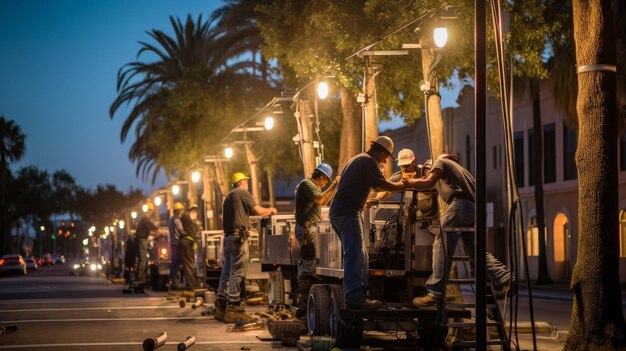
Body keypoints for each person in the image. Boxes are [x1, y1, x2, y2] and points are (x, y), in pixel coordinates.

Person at [404, 155, 514, 306]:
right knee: (475, 250)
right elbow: (427, 185)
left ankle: (435, 292)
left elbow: (427, 182)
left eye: (427, 172)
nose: (427, 175)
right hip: (473, 208)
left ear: (431, 167)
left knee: (441, 242)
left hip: (460, 205)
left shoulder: (440, 162)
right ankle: (503, 276)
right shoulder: (460, 173)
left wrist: (408, 181)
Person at [329, 136, 405, 310]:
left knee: (361, 256)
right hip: (346, 214)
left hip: (345, 212)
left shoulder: (360, 159)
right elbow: (379, 186)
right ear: (381, 151)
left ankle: (360, 294)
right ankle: (354, 298)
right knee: (354, 255)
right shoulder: (368, 161)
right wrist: (403, 185)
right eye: (386, 156)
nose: (385, 160)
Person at [214, 172, 278, 323]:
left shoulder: (228, 197)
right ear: (242, 182)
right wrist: (271, 210)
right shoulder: (242, 192)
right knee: (237, 272)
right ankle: (234, 309)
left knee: (226, 273)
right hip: (238, 238)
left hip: (228, 238)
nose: (247, 183)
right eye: (246, 181)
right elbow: (258, 210)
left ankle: (220, 307)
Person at [294, 162, 339, 316]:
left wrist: (333, 187)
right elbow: (321, 200)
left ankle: (304, 307)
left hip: (308, 229)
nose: (325, 184)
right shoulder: (308, 184)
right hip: (308, 230)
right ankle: (305, 308)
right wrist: (334, 186)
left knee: (307, 264)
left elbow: (322, 200)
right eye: (326, 181)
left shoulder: (307, 185)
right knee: (309, 266)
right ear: (321, 177)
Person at [135, 203, 161, 283]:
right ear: (149, 210)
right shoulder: (146, 218)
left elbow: (148, 231)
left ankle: (142, 275)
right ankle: (139, 277)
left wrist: (156, 232)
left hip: (142, 239)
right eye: (152, 210)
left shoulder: (144, 218)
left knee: (143, 258)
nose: (152, 212)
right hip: (142, 239)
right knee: (143, 259)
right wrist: (160, 230)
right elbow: (151, 226)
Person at [179, 204, 199, 290]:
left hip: (187, 242)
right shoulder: (187, 215)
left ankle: (190, 284)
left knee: (188, 264)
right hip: (187, 242)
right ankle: (192, 285)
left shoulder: (185, 216)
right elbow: (192, 230)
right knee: (189, 264)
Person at [167, 202, 185, 289]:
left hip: (173, 244)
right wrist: (188, 235)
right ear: (178, 210)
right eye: (181, 210)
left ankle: (173, 281)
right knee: (177, 263)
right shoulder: (176, 220)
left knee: (174, 263)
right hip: (177, 243)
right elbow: (181, 231)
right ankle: (176, 282)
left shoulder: (170, 219)